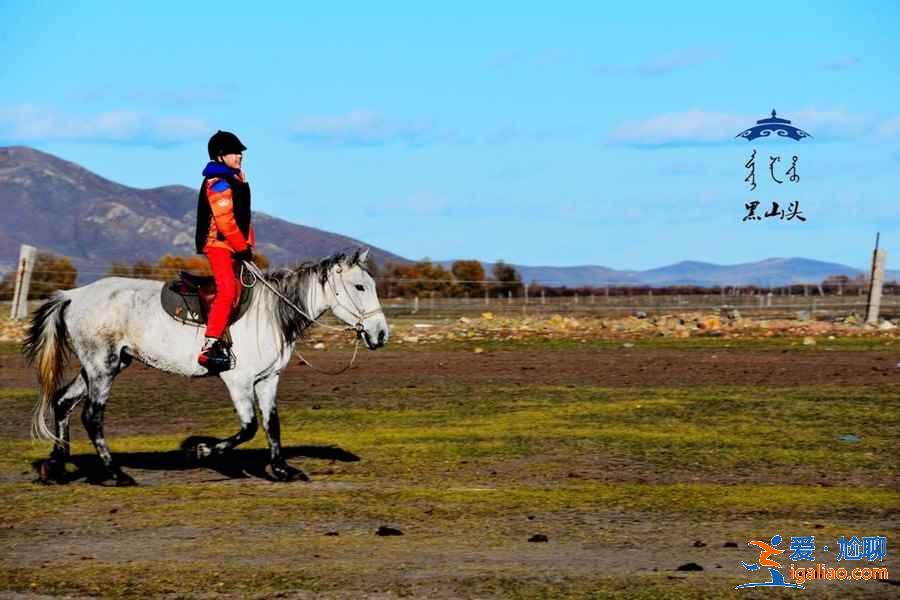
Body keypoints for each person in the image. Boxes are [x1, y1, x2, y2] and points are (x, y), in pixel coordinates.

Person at [195, 130, 255, 371]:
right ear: (220, 156)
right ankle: (209, 346)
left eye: (240, 153)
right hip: (219, 246)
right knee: (228, 290)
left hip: (233, 246)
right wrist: (242, 247)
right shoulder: (218, 182)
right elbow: (225, 222)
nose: (239, 156)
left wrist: (246, 246)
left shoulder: (234, 179)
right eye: (234, 152)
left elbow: (243, 219)